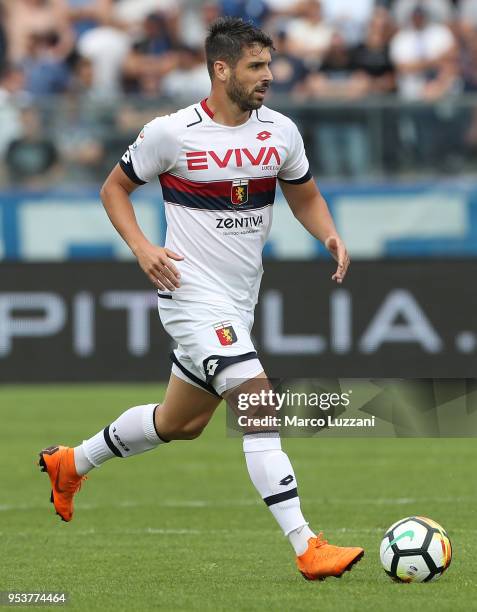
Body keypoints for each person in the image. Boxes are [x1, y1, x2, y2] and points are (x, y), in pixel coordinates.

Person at [38, 16, 363, 581]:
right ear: (221, 69)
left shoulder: (280, 131)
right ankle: (307, 545)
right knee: (256, 397)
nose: (269, 76)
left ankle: (71, 462)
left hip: (238, 302)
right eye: (256, 67)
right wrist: (142, 248)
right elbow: (114, 188)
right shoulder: (172, 132)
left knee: (179, 423)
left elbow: (304, 195)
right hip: (188, 294)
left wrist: (328, 232)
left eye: (270, 65)